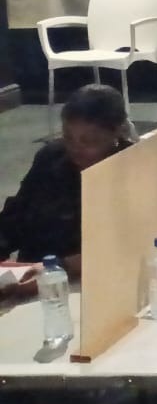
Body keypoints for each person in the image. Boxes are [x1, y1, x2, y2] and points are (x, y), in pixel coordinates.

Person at [0, 84, 133, 289]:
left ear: (117, 133)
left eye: (89, 141)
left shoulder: (133, 169)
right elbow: (15, 218)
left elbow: (125, 246)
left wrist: (58, 268)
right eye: (68, 137)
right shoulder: (52, 158)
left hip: (88, 283)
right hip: (28, 279)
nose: (75, 149)